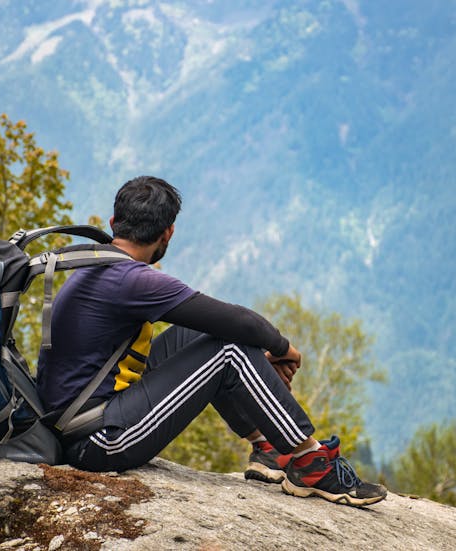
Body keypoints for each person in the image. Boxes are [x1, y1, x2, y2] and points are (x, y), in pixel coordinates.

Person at [37, 175, 387, 507]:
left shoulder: (95, 265)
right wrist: (284, 350)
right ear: (168, 232)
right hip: (96, 442)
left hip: (83, 419)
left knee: (201, 334)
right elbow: (240, 322)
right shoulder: (131, 280)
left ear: (114, 222)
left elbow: (222, 323)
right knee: (230, 347)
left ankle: (268, 448)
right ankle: (310, 463)